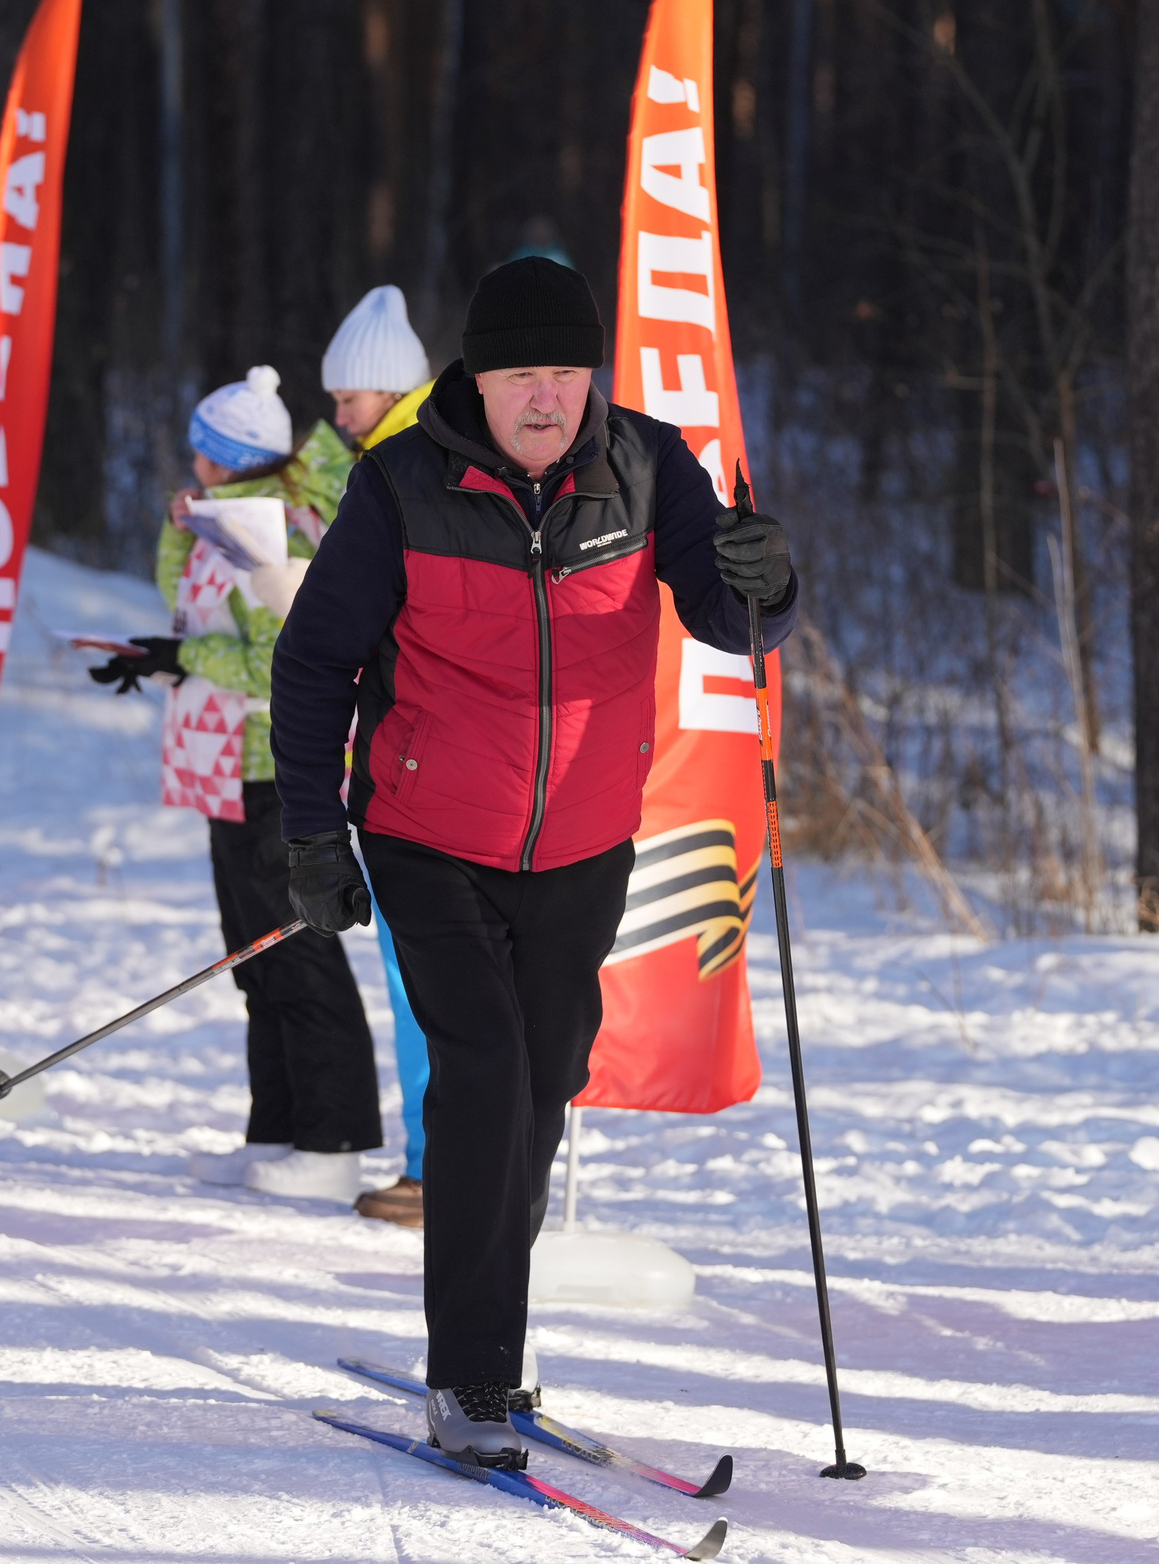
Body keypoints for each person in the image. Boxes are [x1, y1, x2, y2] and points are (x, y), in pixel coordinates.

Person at [270, 257, 797, 1469]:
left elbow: (731, 616)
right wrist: (313, 834)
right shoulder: (399, 484)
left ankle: (489, 1336)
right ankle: (471, 1372)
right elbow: (311, 668)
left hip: (582, 842)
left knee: (546, 1080)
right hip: (426, 837)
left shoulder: (649, 464)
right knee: (488, 1076)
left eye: (566, 373)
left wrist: (765, 580)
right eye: (523, 377)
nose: (547, 398)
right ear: (479, 379)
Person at [88, 364, 383, 1201]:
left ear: (229, 455)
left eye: (201, 449)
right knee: (254, 966)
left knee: (300, 956)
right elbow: (190, 608)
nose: (190, 460)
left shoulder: (277, 533)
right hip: (227, 772)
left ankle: (332, 1145)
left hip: (275, 768)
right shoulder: (227, 522)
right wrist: (168, 626)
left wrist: (185, 656)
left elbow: (275, 660)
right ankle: (277, 1134)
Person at [319, 286, 437, 1229]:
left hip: (421, 776)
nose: (335, 415)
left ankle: (439, 1167)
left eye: (346, 398)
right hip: (416, 761)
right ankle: (441, 1162)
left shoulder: (400, 470)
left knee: (423, 981)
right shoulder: (398, 458)